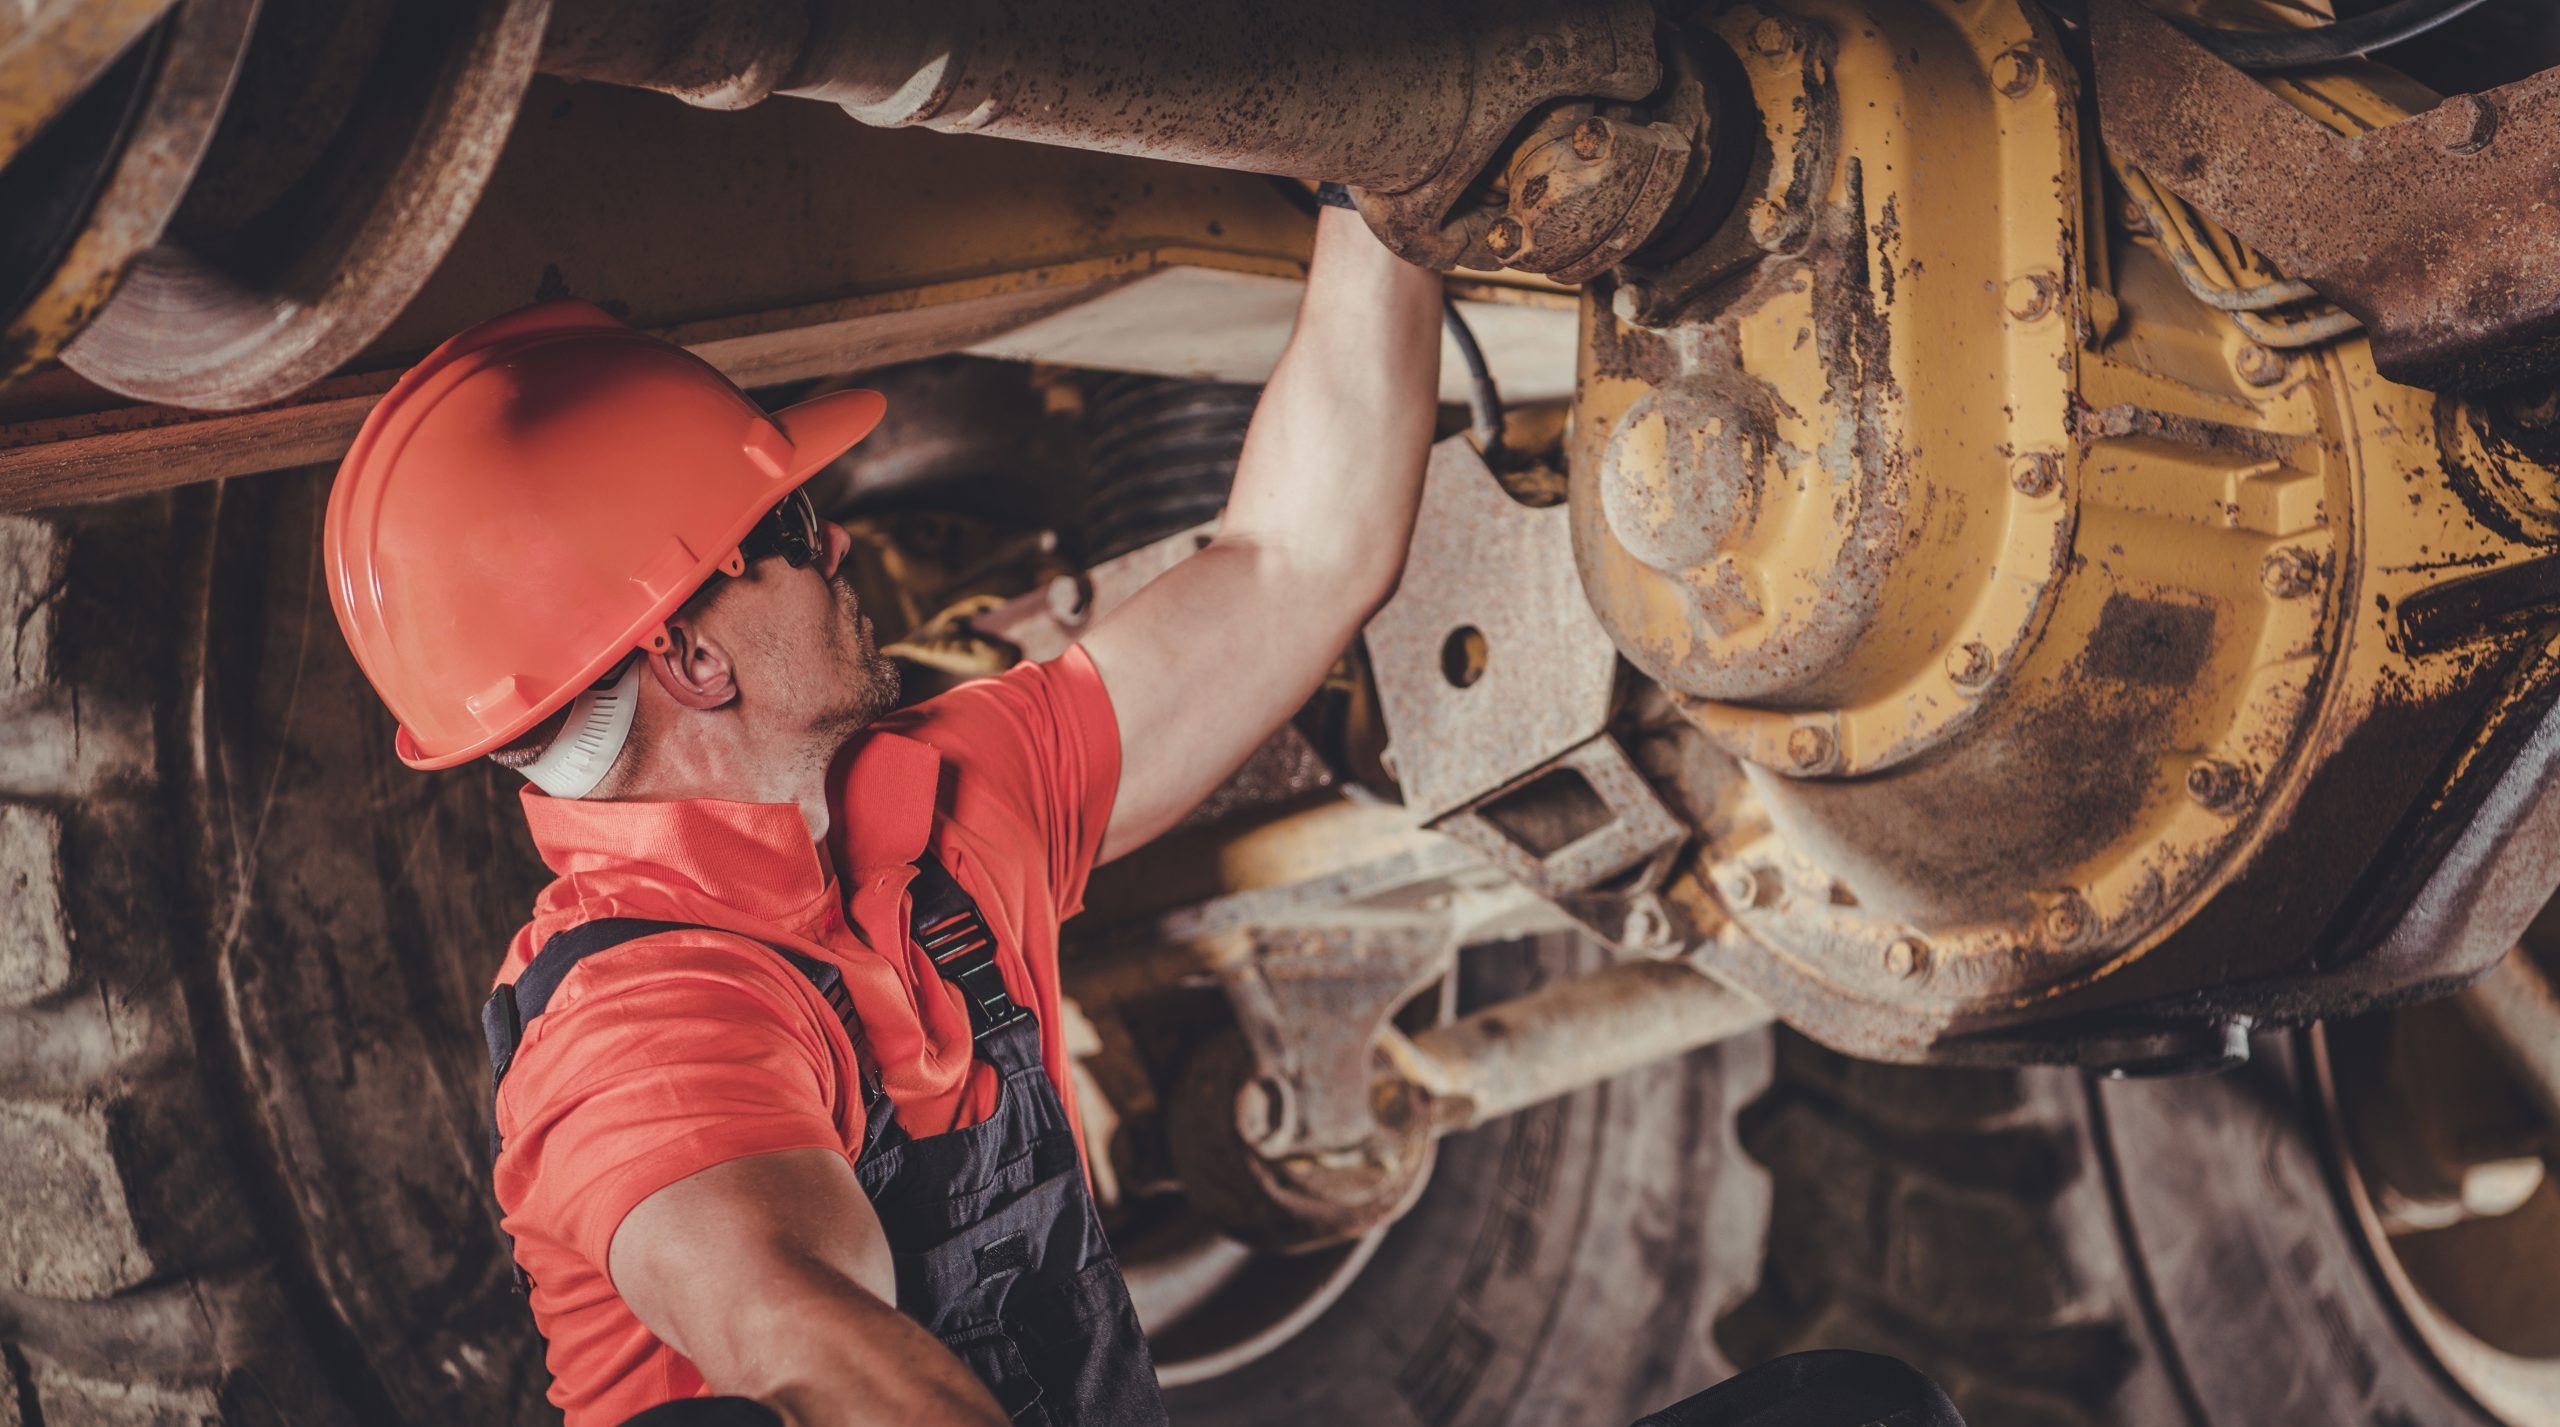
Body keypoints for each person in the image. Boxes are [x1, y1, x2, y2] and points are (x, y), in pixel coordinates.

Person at [322, 203, 1439, 1425]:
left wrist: (1388, 203)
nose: (838, 537)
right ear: (692, 654)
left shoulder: (942, 798)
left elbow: (1294, 561)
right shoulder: (643, 1026)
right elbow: (803, 1339)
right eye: (790, 530)